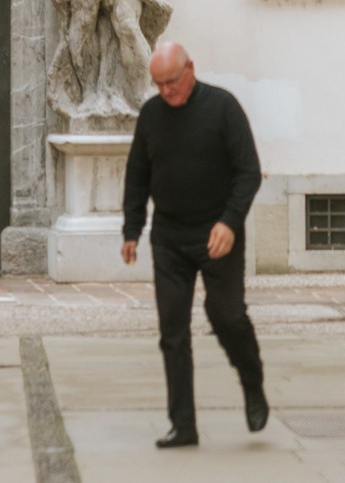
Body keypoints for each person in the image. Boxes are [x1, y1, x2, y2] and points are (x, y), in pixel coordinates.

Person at [119, 40, 267, 447]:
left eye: (172, 81)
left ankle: (252, 381)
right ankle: (183, 424)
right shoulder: (151, 116)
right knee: (173, 331)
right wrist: (132, 230)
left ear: (191, 69)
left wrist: (230, 222)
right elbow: (137, 175)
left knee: (227, 316)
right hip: (169, 237)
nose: (167, 90)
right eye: (159, 84)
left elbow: (249, 172)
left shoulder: (223, 108)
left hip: (217, 233)